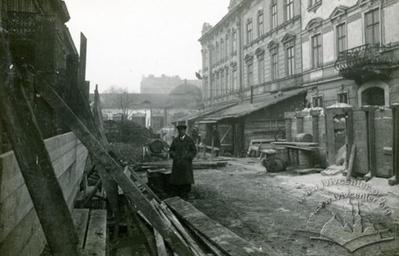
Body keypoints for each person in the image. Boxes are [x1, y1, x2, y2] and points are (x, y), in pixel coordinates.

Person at [169, 124, 197, 198]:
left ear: (185, 131)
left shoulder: (189, 140)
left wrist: (189, 156)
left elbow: (194, 151)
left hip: (186, 164)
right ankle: (178, 193)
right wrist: (174, 155)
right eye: (179, 130)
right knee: (177, 180)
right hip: (177, 164)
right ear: (178, 131)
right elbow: (171, 150)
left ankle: (186, 194)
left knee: (186, 180)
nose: (181, 132)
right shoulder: (175, 140)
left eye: (182, 130)